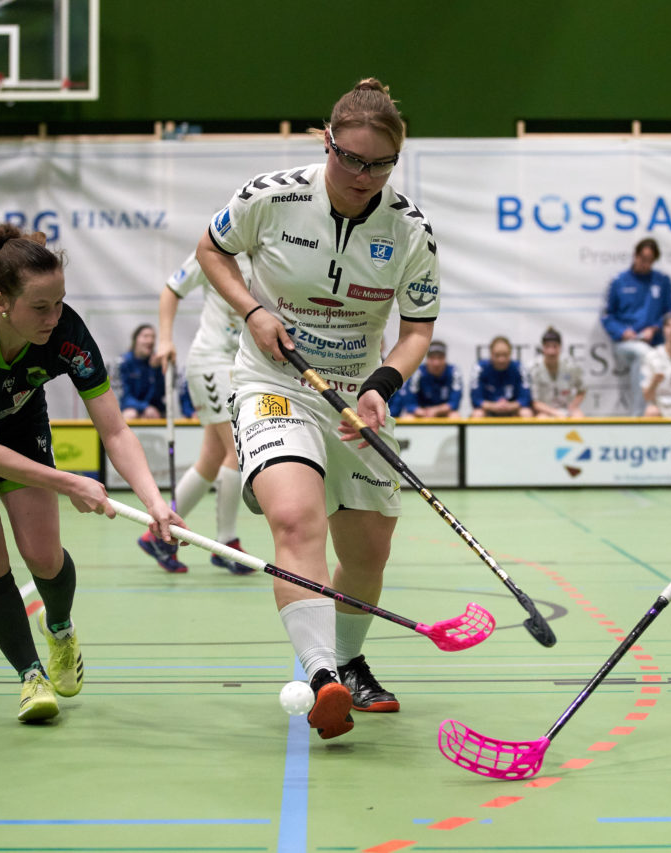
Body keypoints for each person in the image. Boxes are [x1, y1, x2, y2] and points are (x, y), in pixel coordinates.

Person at [197, 78, 438, 740]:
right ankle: (323, 675)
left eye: (380, 165)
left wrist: (381, 387)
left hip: (355, 399)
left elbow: (417, 329)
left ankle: (350, 660)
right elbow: (211, 248)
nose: (363, 177)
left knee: (367, 553)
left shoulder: (410, 230)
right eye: (350, 159)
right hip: (273, 382)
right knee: (295, 518)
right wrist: (252, 310)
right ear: (326, 142)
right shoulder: (270, 197)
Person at [0, 223, 179, 722]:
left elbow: (115, 430)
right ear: (1, 302)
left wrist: (156, 502)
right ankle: (30, 676)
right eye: (40, 307)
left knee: (44, 556)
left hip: (18, 419)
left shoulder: (67, 333)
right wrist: (70, 481)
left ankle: (61, 628)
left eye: (60, 302)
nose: (54, 317)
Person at [137, 250, 253, 575]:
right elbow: (171, 290)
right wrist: (165, 340)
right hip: (212, 362)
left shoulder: (269, 252)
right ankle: (226, 544)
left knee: (212, 458)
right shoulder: (216, 248)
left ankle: (156, 535)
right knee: (237, 451)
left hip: (241, 365)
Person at [600, 237, 671, 416]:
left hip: (655, 339)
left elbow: (670, 313)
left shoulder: (662, 281)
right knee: (644, 353)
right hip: (626, 343)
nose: (645, 264)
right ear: (635, 256)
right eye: (642, 259)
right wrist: (622, 332)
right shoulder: (619, 281)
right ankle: (638, 415)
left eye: (650, 261)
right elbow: (607, 316)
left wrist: (655, 328)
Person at [469, 335, 533, 418]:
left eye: (505, 355)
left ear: (510, 354)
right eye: (497, 355)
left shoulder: (519, 368)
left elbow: (525, 398)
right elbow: (476, 399)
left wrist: (509, 406)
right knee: (477, 413)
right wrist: (494, 406)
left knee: (526, 412)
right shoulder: (480, 368)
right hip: (489, 410)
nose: (501, 359)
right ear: (491, 354)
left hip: (512, 410)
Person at [528, 327, 586, 419]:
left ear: (560, 348)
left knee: (579, 417)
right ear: (543, 348)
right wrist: (555, 413)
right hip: (545, 410)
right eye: (547, 346)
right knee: (542, 419)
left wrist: (573, 406)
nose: (551, 351)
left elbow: (582, 389)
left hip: (566, 408)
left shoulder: (570, 366)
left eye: (555, 346)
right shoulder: (534, 369)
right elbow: (534, 402)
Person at [400, 340, 462, 418]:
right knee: (408, 417)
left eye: (440, 358)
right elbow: (410, 403)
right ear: (427, 359)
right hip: (422, 413)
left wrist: (436, 410)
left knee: (454, 416)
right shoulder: (417, 373)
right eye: (432, 358)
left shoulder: (454, 372)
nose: (436, 363)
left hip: (443, 413)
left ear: (445, 358)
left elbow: (454, 403)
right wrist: (423, 412)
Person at [117, 323, 164, 420]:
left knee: (153, 415)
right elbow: (124, 396)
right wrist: (144, 407)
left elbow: (160, 395)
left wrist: (156, 370)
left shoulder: (157, 363)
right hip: (130, 408)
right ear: (135, 339)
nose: (150, 341)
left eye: (153, 337)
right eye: (145, 336)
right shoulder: (124, 362)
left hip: (153, 411)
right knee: (131, 414)